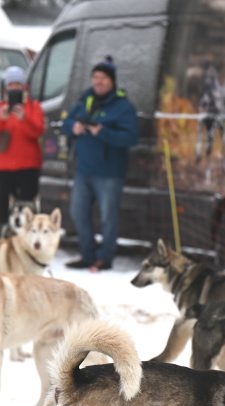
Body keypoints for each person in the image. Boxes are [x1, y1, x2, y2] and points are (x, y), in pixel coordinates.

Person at [61, 56, 138, 272]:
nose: (98, 82)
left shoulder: (123, 107)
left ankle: (104, 258)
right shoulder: (86, 99)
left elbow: (130, 138)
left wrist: (103, 132)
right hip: (84, 170)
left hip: (109, 173)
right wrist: (73, 127)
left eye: (103, 78)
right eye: (95, 77)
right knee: (78, 213)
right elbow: (66, 122)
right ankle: (87, 255)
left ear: (112, 80)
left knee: (108, 218)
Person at [0, 65, 45, 226]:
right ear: (5, 87)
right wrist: (1, 118)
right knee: (3, 206)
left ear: (24, 86)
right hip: (4, 166)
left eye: (18, 84)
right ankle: (3, 233)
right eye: (11, 85)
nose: (14, 88)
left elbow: (38, 131)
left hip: (28, 166)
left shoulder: (33, 107)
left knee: (26, 206)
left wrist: (24, 119)